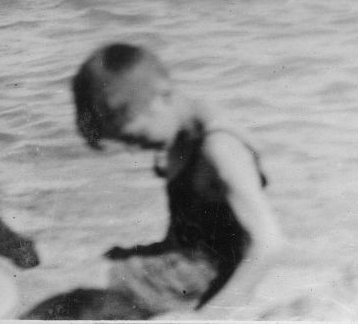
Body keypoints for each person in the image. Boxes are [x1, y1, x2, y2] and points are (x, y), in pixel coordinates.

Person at [34, 43, 283, 319]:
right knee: (64, 287)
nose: (132, 150)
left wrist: (208, 318)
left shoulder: (221, 148)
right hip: (179, 273)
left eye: (134, 138)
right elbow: (191, 231)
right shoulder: (184, 129)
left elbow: (270, 244)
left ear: (161, 97)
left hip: (197, 290)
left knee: (67, 305)